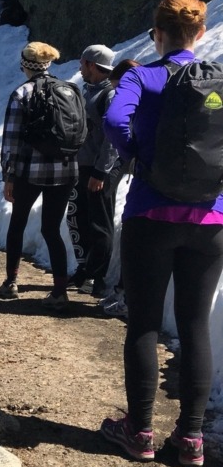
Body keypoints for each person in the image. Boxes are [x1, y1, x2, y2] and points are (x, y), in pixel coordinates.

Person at [100, 0, 222, 467]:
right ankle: (191, 439)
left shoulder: (144, 75)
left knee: (145, 323)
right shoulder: (217, 82)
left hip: (150, 215)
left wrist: (139, 159)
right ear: (201, 34)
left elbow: (113, 119)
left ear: (158, 35)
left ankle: (140, 432)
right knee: (194, 327)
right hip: (211, 220)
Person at [0, 41, 78, 309]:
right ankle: (60, 291)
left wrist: (9, 176)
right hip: (66, 170)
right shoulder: (68, 89)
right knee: (51, 229)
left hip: (30, 172)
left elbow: (12, 141)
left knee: (17, 223)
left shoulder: (22, 94)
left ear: (25, 65)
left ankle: (11, 282)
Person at [66, 44, 121, 299]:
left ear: (90, 64)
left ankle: (97, 277)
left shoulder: (108, 95)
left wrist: (101, 171)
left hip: (99, 169)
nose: (79, 68)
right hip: (85, 166)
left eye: (82, 63)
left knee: (100, 224)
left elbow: (112, 138)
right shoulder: (89, 91)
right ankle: (86, 268)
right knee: (82, 219)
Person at [97, 58, 142, 319]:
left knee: (133, 236)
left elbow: (115, 125)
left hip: (146, 183)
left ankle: (126, 296)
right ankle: (123, 291)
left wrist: (130, 154)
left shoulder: (136, 99)